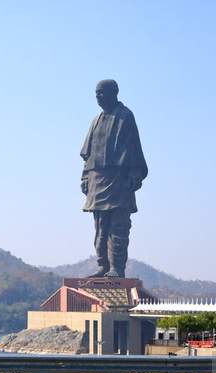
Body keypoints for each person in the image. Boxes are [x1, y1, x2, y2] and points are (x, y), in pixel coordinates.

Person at [80, 79, 148, 278]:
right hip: (96, 180)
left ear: (114, 92)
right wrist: (85, 177)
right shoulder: (96, 120)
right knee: (100, 227)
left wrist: (134, 173)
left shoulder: (125, 116)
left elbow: (133, 147)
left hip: (118, 179)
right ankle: (102, 265)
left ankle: (116, 268)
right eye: (96, 93)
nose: (98, 97)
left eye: (102, 92)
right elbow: (87, 155)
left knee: (118, 226)